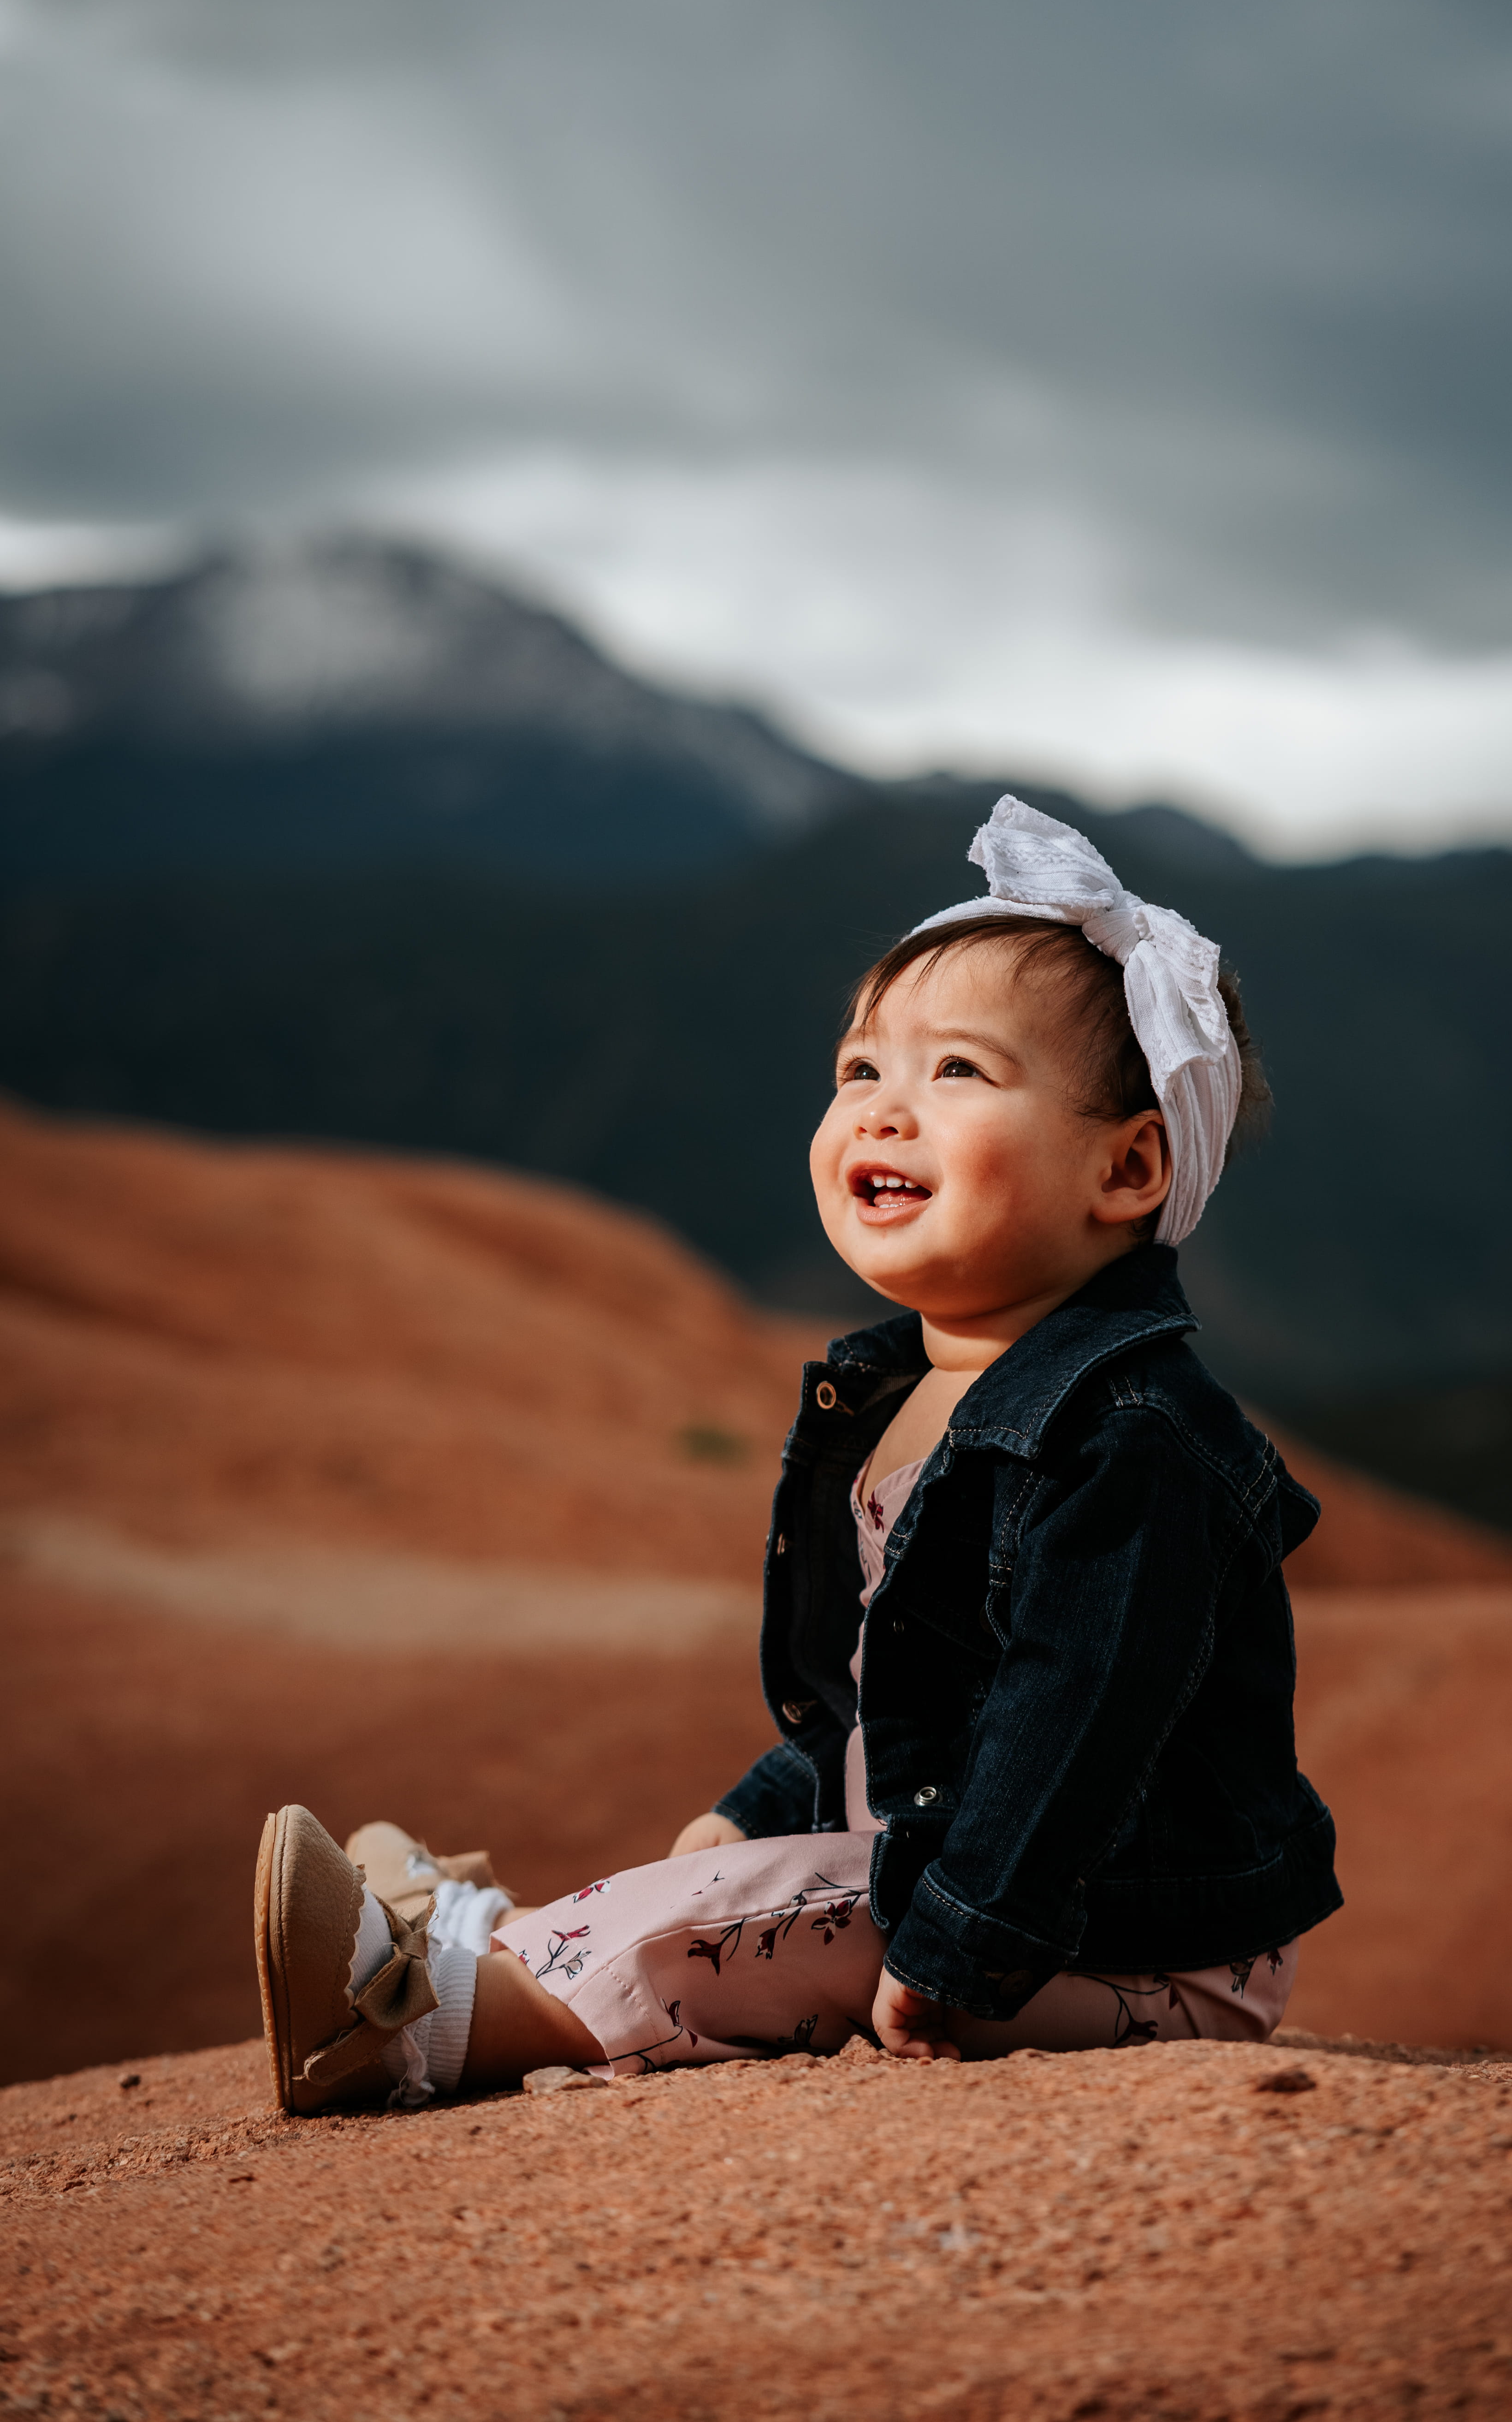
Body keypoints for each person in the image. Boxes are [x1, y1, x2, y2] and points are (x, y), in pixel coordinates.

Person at [254, 796, 1342, 2113]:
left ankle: (416, 2024)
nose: (885, 1112)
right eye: (859, 1073)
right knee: (742, 1876)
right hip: (966, 1876)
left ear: (1128, 1171)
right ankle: (472, 1940)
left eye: (957, 1074)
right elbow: (885, 1702)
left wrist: (963, 1951)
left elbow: (1078, 1726)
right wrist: (768, 1797)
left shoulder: (1136, 1442)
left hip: (1131, 1949)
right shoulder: (893, 1391)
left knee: (754, 1913)